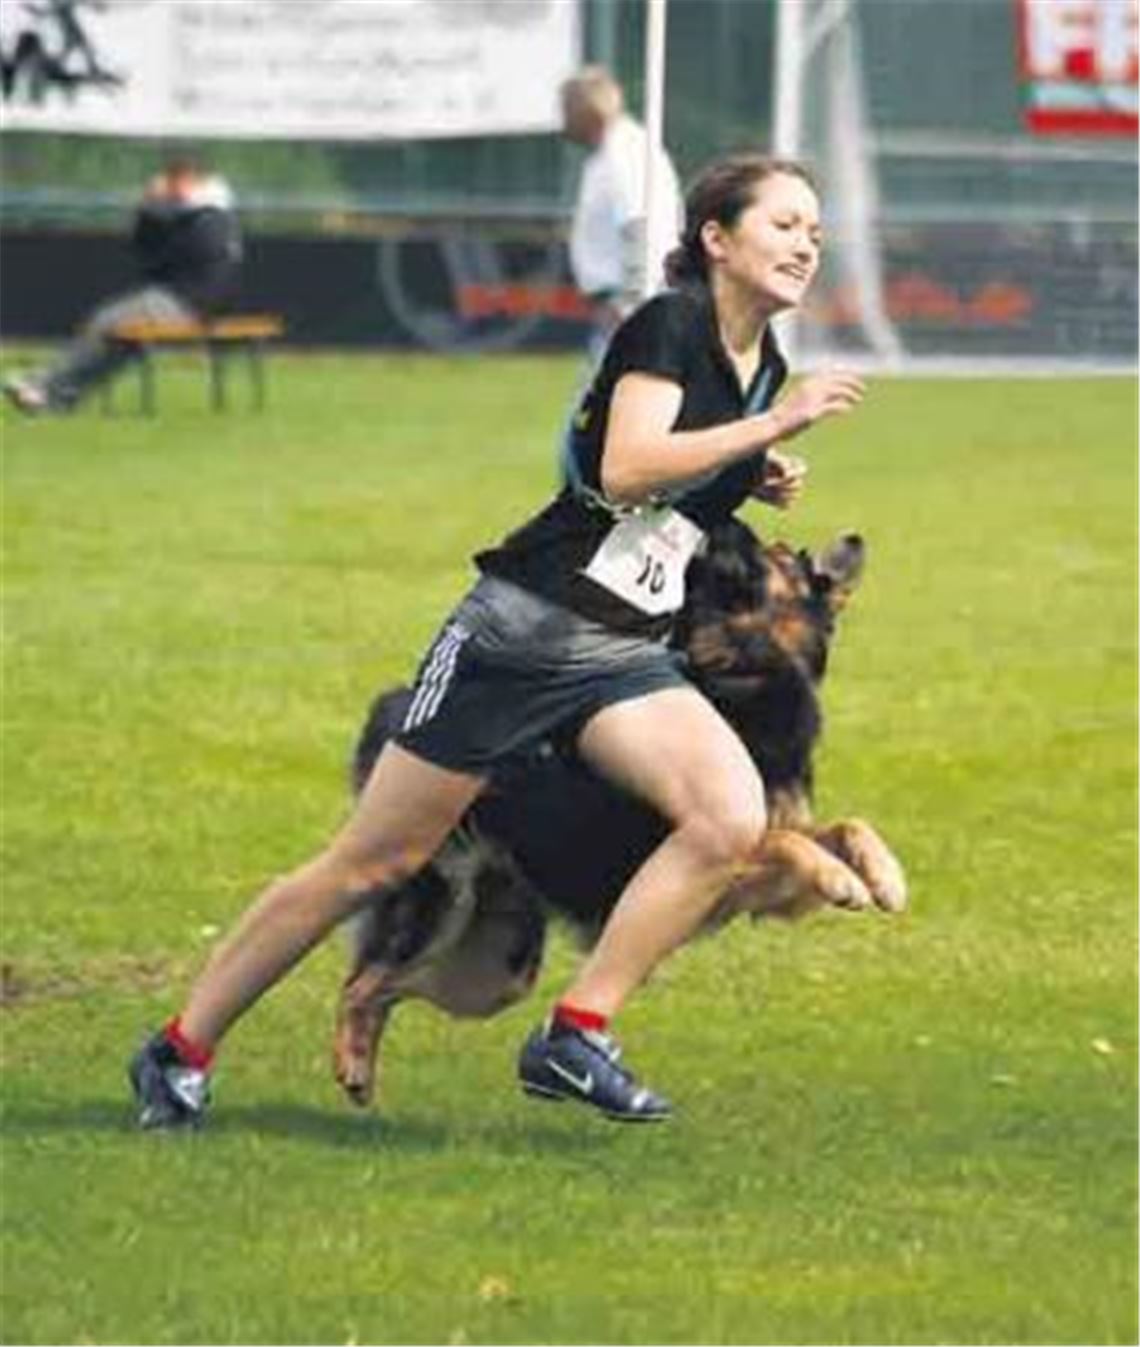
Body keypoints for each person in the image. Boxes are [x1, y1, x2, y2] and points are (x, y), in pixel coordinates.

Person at [129, 153, 866, 1130]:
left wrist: (753, 463)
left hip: (621, 652)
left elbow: (673, 481)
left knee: (729, 817)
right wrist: (764, 428)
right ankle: (178, 1051)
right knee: (371, 864)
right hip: (521, 634)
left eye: (815, 230)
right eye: (784, 224)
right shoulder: (671, 324)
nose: (806, 243)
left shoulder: (756, 360)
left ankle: (576, 1033)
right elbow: (627, 461)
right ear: (717, 240)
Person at [3, 155, 241, 414]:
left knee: (106, 322)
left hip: (187, 302)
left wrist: (158, 211)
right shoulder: (195, 214)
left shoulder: (210, 217)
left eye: (176, 182)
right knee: (118, 340)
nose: (170, 188)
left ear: (193, 181)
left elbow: (169, 257)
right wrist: (149, 209)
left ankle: (43, 385)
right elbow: (144, 251)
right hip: (173, 297)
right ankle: (57, 395)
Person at [561, 66, 683, 363]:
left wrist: (629, 302)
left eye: (568, 110)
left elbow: (637, 225)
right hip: (626, 296)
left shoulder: (623, 154)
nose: (564, 121)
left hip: (627, 298)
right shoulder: (616, 150)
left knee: (608, 395)